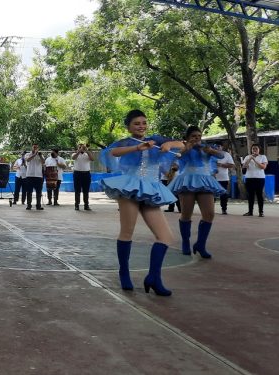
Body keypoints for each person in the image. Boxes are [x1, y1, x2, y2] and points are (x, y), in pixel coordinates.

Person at [99, 109, 184, 296]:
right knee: (127, 232)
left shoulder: (157, 139)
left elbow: (183, 146)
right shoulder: (128, 142)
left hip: (151, 189)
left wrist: (170, 144)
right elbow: (112, 152)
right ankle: (124, 272)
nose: (141, 126)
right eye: (137, 123)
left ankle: (154, 277)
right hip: (130, 187)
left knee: (166, 237)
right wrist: (138, 148)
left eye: (144, 122)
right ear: (129, 126)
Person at [167, 126, 226, 258]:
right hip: (187, 181)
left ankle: (200, 244)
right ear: (187, 138)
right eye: (193, 136)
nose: (197, 139)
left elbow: (222, 155)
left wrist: (210, 150)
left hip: (205, 181)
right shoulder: (183, 149)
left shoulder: (206, 148)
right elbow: (174, 161)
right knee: (186, 213)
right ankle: (186, 242)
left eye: (199, 136)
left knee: (209, 214)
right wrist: (185, 150)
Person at [242, 145, 268, 217]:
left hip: (260, 178)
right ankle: (250, 212)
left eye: (256, 148)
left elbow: (263, 167)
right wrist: (250, 158)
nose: (255, 150)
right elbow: (244, 166)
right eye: (253, 149)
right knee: (250, 196)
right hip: (249, 178)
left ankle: (261, 212)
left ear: (259, 149)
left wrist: (254, 160)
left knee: (259, 195)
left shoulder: (263, 157)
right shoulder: (247, 157)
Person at [71, 144, 94, 211]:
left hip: (86, 174)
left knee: (86, 191)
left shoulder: (87, 154)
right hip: (77, 174)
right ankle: (77, 205)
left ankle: (86, 205)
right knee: (77, 190)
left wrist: (87, 150)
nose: (82, 148)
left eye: (83, 147)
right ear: (78, 148)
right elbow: (73, 158)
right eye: (80, 147)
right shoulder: (75, 154)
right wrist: (79, 151)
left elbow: (92, 159)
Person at [214, 143, 234, 215]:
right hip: (212, 178)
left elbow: (231, 165)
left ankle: (224, 209)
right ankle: (210, 209)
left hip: (223, 178)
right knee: (211, 194)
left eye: (218, 146)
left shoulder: (226, 154)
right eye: (215, 146)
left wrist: (221, 165)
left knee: (223, 195)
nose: (217, 147)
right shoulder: (211, 154)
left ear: (222, 147)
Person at [23, 145, 45, 210]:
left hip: (38, 176)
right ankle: (29, 205)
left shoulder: (40, 155)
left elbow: (43, 162)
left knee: (39, 192)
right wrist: (34, 154)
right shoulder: (27, 154)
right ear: (32, 148)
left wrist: (40, 155)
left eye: (36, 147)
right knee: (29, 191)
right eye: (34, 147)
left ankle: (38, 205)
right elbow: (28, 160)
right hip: (30, 175)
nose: (35, 148)